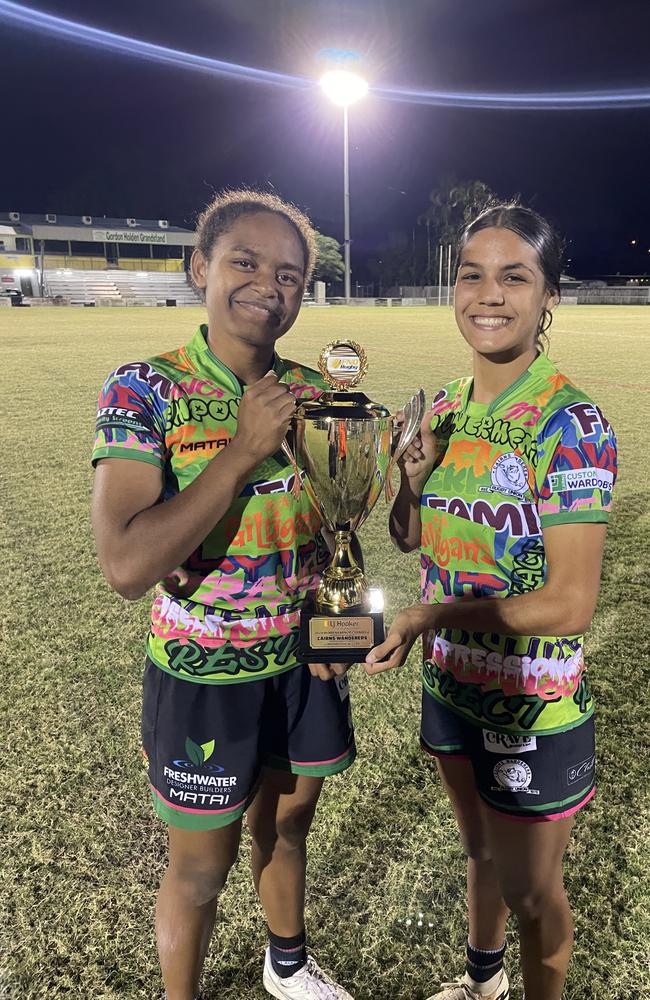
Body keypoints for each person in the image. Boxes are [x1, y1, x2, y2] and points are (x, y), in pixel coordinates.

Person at [91, 190, 356, 1000]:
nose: (269, 287)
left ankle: (286, 966)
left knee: (286, 825)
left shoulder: (319, 394)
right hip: (201, 676)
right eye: (245, 262)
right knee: (201, 867)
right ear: (200, 266)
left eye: (289, 274)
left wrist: (343, 633)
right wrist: (240, 451)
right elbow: (129, 564)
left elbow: (335, 539)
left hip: (304, 666)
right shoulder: (145, 390)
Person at [365, 203, 617, 1000]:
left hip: (530, 709)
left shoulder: (570, 423)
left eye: (515, 277)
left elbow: (570, 603)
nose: (488, 294)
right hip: (449, 689)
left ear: (550, 299)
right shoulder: (439, 408)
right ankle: (484, 982)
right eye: (472, 274)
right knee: (479, 857)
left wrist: (429, 617)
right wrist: (410, 483)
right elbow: (409, 539)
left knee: (533, 895)